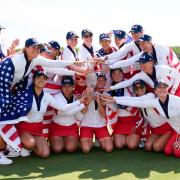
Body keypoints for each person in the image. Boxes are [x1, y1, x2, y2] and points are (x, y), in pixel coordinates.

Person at [101, 80, 180, 157]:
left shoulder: (150, 96)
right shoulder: (149, 101)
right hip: (155, 130)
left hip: (167, 128)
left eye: (141, 87)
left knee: (157, 147)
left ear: (146, 88)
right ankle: (169, 142)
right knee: (148, 146)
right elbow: (133, 102)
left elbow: (134, 100)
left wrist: (113, 99)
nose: (139, 90)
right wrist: (111, 100)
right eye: (136, 88)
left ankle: (172, 139)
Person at [16, 72, 85, 158]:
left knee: (45, 154)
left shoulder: (47, 96)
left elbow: (63, 108)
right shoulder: (26, 94)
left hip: (38, 129)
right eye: (38, 78)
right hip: (24, 128)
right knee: (31, 143)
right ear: (33, 80)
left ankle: (32, 146)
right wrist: (81, 102)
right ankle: (25, 145)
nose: (41, 80)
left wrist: (81, 101)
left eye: (43, 78)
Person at [107, 52, 180, 97]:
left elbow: (178, 76)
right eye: (141, 63)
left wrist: (172, 91)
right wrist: (111, 88)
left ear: (152, 62)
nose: (142, 65)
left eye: (144, 62)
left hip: (175, 88)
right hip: (161, 93)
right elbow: (128, 82)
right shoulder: (142, 74)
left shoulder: (162, 68)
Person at [107, 68, 143, 150]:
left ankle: (138, 137)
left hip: (133, 119)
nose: (117, 76)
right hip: (120, 121)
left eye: (119, 73)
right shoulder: (109, 89)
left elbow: (137, 101)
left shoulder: (130, 85)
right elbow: (112, 108)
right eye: (114, 74)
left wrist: (122, 104)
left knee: (132, 146)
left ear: (123, 74)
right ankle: (123, 136)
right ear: (111, 77)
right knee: (119, 145)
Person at [78, 72, 113, 153]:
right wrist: (89, 98)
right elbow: (83, 111)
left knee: (109, 148)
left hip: (100, 126)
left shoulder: (106, 94)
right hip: (86, 125)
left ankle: (98, 139)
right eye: (98, 80)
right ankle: (83, 140)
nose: (101, 82)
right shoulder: (86, 92)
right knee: (86, 149)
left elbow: (103, 114)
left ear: (105, 82)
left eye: (103, 80)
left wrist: (99, 101)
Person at [49, 76, 85, 153]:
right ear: (61, 87)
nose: (67, 88)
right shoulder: (56, 97)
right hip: (57, 127)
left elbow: (79, 117)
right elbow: (65, 113)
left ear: (73, 87)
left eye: (69, 86)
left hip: (71, 127)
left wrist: (83, 108)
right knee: (57, 149)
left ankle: (70, 141)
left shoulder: (76, 97)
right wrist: (83, 104)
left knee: (70, 149)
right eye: (64, 86)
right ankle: (58, 141)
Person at [109, 34, 180, 72]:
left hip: (175, 70)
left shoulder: (161, 49)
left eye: (143, 43)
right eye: (140, 44)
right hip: (166, 74)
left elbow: (163, 70)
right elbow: (128, 62)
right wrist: (110, 66)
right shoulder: (144, 52)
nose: (141, 46)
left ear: (150, 43)